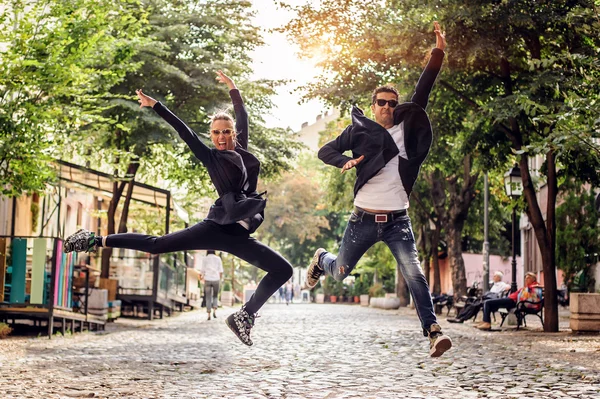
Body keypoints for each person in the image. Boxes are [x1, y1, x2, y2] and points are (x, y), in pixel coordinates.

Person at [64, 71, 293, 346]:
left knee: (283, 270)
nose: (221, 137)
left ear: (234, 134)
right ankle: (93, 239)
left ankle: (245, 316)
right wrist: (156, 105)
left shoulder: (242, 150)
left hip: (240, 235)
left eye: (226, 132)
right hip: (217, 228)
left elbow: (242, 115)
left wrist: (234, 89)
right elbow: (183, 130)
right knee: (157, 244)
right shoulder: (210, 156)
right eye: (216, 132)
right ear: (211, 135)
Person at [305, 22, 452, 358]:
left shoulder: (407, 125)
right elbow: (324, 151)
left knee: (414, 274)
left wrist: (438, 52)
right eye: (382, 103)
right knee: (340, 272)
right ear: (373, 107)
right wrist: (344, 162)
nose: (387, 107)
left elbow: (423, 90)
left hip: (398, 220)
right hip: (362, 220)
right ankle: (320, 259)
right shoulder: (359, 132)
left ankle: (433, 332)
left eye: (391, 103)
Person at [475, 272, 542, 330]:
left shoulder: (533, 286)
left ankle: (487, 323)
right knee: (487, 303)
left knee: (487, 302)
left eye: (528, 278)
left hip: (512, 301)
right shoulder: (528, 287)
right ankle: (485, 322)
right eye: (525, 278)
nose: (526, 279)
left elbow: (527, 297)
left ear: (533, 279)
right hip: (510, 299)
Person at [199, 250, 223, 320]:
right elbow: (221, 271)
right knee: (215, 296)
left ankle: (209, 314)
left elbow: (202, 270)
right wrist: (219, 279)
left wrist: (201, 277)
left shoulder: (205, 258)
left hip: (207, 279)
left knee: (208, 297)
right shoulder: (218, 258)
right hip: (216, 279)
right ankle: (215, 311)